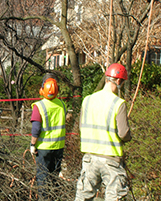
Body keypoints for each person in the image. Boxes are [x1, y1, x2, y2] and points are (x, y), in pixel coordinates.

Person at [75, 63, 132, 201]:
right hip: (111, 160)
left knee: (83, 197)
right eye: (122, 82)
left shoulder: (87, 100)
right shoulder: (118, 103)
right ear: (118, 81)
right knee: (114, 197)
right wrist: (129, 136)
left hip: (90, 158)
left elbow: (82, 128)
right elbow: (123, 134)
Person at [30, 73, 67, 200]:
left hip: (44, 148)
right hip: (59, 147)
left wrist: (32, 145)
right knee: (54, 176)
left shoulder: (39, 106)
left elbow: (36, 129)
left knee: (42, 177)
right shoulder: (62, 105)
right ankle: (54, 198)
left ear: (42, 89)